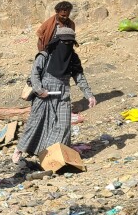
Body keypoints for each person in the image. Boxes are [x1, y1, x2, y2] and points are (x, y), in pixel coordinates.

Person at [13, 29, 95, 164]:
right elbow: (34, 75)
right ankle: (19, 150)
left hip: (63, 95)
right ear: (57, 41)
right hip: (43, 95)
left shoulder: (72, 58)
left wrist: (89, 95)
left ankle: (54, 156)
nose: (67, 45)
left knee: (63, 126)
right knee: (36, 123)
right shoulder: (44, 56)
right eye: (64, 42)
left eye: (70, 43)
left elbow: (79, 77)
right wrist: (40, 90)